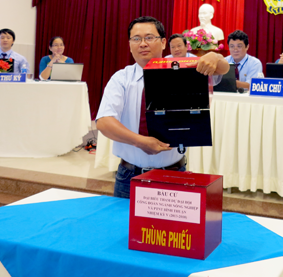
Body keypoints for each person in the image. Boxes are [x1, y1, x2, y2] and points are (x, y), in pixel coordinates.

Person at [96, 16, 229, 198]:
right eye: (136, 39)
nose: (143, 44)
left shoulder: (182, 71)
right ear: (130, 44)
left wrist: (215, 56)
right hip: (130, 176)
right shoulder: (121, 79)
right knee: (123, 218)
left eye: (149, 37)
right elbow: (104, 121)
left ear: (164, 42)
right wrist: (139, 141)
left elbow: (222, 69)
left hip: (174, 173)